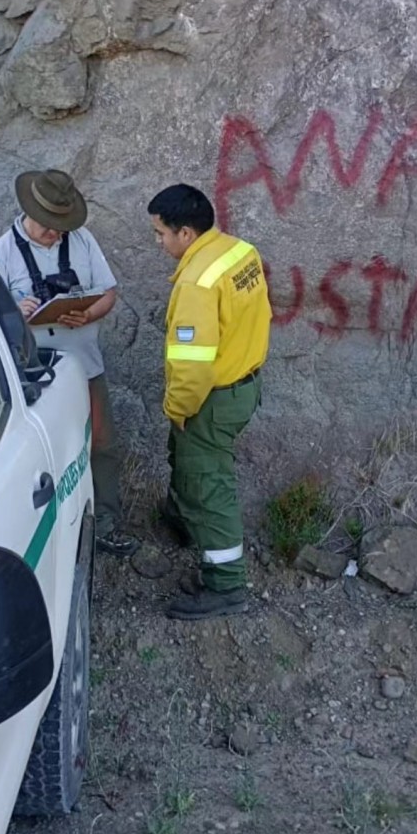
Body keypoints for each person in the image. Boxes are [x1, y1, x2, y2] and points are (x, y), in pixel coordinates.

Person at [0, 168, 136, 557]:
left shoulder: (83, 242)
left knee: (102, 444)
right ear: (29, 212)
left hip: (85, 363)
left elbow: (108, 292)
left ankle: (105, 522)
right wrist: (14, 311)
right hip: (33, 373)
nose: (56, 233)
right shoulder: (2, 252)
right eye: (49, 226)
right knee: (41, 455)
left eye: (61, 226)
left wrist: (88, 314)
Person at [148, 183, 271, 619]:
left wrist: (178, 409)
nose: (158, 242)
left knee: (209, 487)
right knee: (189, 465)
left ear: (185, 233)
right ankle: (183, 522)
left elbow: (192, 366)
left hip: (210, 400)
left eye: (160, 233)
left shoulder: (198, 284)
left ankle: (225, 585)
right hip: (243, 383)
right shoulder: (239, 252)